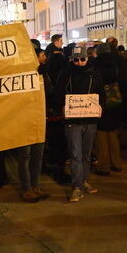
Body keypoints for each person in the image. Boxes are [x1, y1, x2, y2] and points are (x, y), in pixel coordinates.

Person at [52, 46, 105, 202]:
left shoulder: (94, 73)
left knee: (86, 155)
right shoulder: (65, 73)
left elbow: (101, 93)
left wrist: (101, 106)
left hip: (90, 120)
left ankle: (83, 181)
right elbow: (58, 94)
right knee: (75, 155)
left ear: (87, 58)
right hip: (72, 121)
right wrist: (61, 107)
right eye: (76, 60)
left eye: (82, 59)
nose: (80, 63)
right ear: (71, 60)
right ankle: (76, 187)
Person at [13, 43, 53, 203]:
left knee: (38, 155)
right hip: (23, 120)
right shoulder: (20, 74)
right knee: (25, 156)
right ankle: (26, 188)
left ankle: (35, 186)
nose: (44, 58)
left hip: (39, 120)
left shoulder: (43, 74)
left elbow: (49, 92)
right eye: (41, 56)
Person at [93, 43, 127, 176]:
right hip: (115, 101)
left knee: (101, 133)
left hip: (99, 102)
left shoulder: (95, 63)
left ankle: (103, 165)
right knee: (113, 132)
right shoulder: (119, 61)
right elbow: (126, 81)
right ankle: (116, 163)